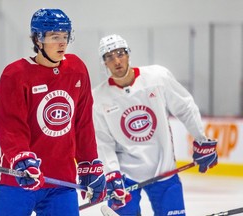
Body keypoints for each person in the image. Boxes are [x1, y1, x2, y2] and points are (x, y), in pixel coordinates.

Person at [0, 8, 106, 216]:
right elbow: (11, 126)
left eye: (65, 36)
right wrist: (21, 160)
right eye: (54, 36)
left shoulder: (77, 69)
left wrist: (89, 164)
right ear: (38, 39)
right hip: (17, 178)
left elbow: (83, 122)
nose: (62, 42)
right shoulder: (15, 74)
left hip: (61, 181)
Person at [92, 34, 218, 216]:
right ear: (104, 62)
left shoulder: (157, 77)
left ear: (128, 54)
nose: (116, 61)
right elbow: (103, 141)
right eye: (109, 57)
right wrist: (111, 174)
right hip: (126, 178)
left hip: (164, 170)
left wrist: (201, 138)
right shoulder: (99, 97)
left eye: (120, 53)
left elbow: (185, 106)